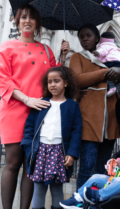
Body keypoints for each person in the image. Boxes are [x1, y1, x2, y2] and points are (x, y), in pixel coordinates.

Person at [0, 3, 70, 209]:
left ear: (37, 22)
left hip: (39, 113)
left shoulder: (45, 49)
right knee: (12, 162)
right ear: (17, 21)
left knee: (31, 165)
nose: (27, 21)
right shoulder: (7, 47)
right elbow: (3, 80)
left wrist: (62, 58)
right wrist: (26, 99)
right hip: (15, 109)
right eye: (23, 17)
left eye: (31, 17)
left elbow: (55, 77)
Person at [69, 24, 120, 190]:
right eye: (81, 36)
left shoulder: (111, 55)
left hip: (110, 121)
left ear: (97, 38)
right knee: (87, 167)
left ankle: (96, 203)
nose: (84, 38)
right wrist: (105, 73)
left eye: (88, 35)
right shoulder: (77, 57)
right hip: (88, 119)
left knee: (103, 169)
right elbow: (77, 80)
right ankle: (81, 202)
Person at [20, 67, 82, 209]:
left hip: (59, 152)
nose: (53, 84)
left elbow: (76, 132)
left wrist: (72, 153)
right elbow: (29, 127)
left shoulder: (72, 106)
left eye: (56, 81)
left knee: (56, 188)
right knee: (39, 188)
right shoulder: (41, 103)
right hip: (39, 150)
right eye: (49, 82)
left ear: (65, 83)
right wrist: (28, 147)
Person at [59, 135, 120, 208]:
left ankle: (99, 195)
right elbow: (113, 166)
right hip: (113, 181)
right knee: (96, 177)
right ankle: (78, 198)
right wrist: (111, 165)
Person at [92, 32, 120, 97]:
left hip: (113, 62)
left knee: (108, 73)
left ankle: (112, 87)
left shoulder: (104, 45)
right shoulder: (114, 46)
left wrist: (96, 53)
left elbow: (102, 51)